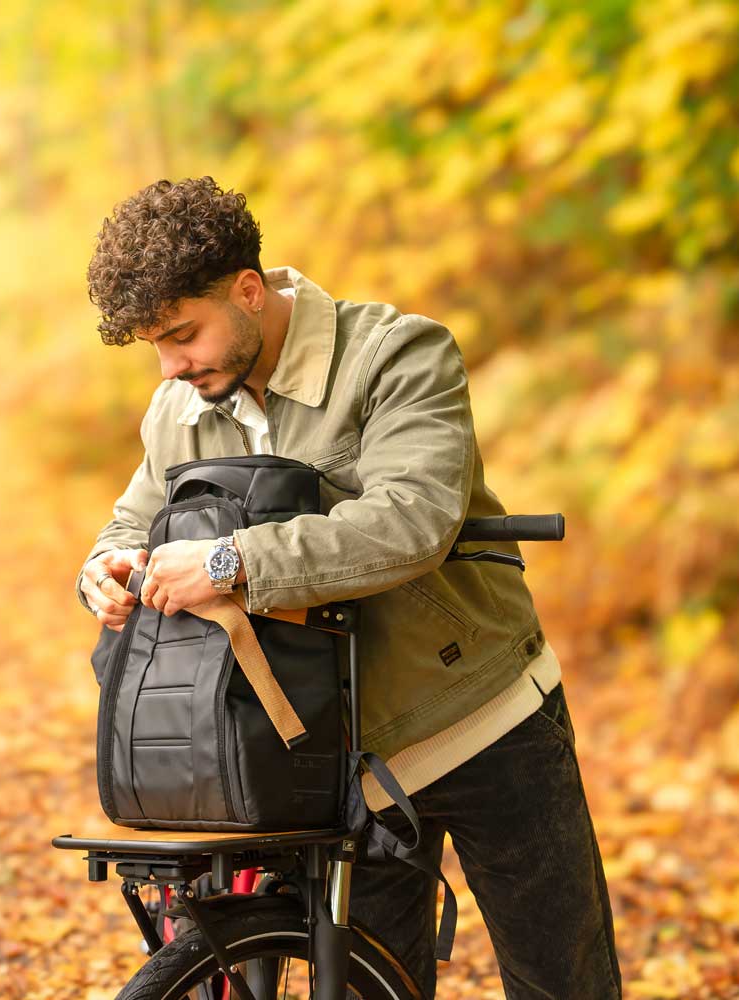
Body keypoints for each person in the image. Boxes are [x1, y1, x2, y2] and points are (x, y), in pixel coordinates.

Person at [75, 176, 621, 999]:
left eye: (183, 334)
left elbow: (412, 520)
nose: (170, 365)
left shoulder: (398, 354)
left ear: (249, 292)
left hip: (479, 713)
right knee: (374, 987)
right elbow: (133, 522)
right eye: (155, 346)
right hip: (337, 754)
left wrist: (228, 563)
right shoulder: (178, 409)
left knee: (562, 985)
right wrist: (105, 571)